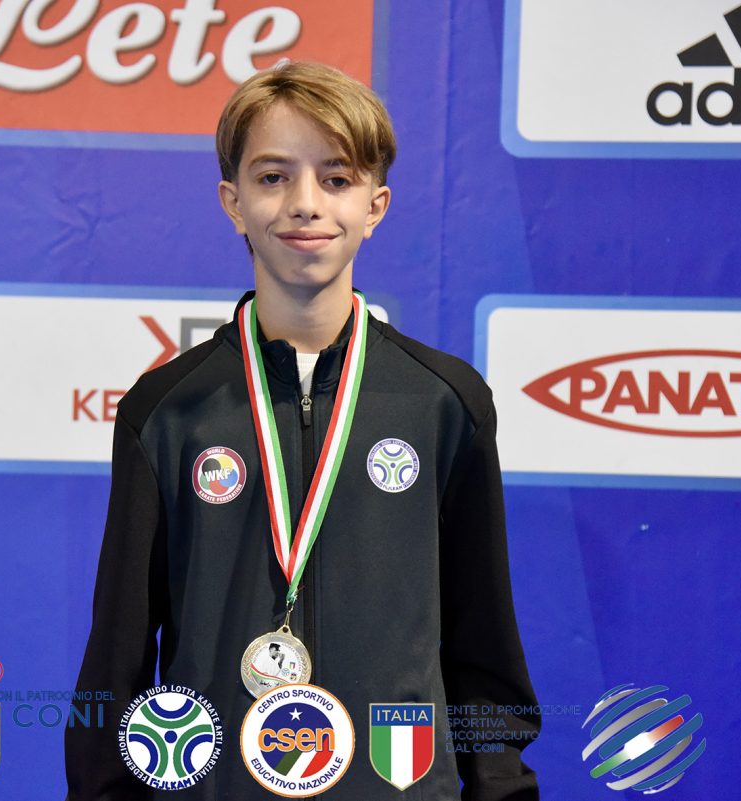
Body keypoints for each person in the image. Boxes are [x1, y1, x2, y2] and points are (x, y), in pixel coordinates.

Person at [65, 61, 539, 800]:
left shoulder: (444, 402)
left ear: (375, 205)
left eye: (336, 178)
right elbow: (118, 659)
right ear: (233, 202)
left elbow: (485, 653)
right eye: (273, 176)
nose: (305, 203)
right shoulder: (167, 410)